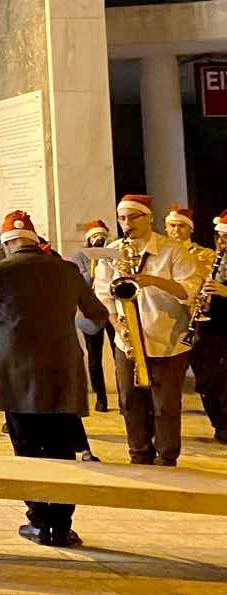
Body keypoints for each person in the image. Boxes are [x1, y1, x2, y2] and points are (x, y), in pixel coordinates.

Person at [0, 210, 107, 546]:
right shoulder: (68, 270)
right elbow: (97, 316)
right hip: (63, 373)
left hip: (17, 375)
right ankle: (62, 525)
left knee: (29, 449)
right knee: (62, 450)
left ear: (7, 244)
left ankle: (39, 522)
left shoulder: (1, 270)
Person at [90, 195, 204, 466]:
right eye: (122, 218)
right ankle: (139, 454)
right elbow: (103, 294)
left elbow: (189, 290)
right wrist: (117, 324)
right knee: (130, 400)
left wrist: (150, 280)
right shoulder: (113, 250)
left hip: (168, 339)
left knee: (165, 405)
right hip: (128, 338)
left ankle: (167, 457)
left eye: (132, 217)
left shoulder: (173, 250)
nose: (126, 223)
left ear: (149, 217)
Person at [190, 210, 227, 444]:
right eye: (219, 237)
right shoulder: (216, 260)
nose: (222, 242)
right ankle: (218, 422)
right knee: (207, 379)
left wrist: (225, 291)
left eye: (226, 238)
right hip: (212, 327)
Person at [72, 219, 114, 412]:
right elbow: (83, 285)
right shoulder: (79, 257)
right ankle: (101, 398)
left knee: (119, 355)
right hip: (90, 314)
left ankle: (125, 397)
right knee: (94, 358)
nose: (100, 241)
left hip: (113, 311)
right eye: (96, 238)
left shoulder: (114, 251)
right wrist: (95, 263)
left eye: (103, 238)